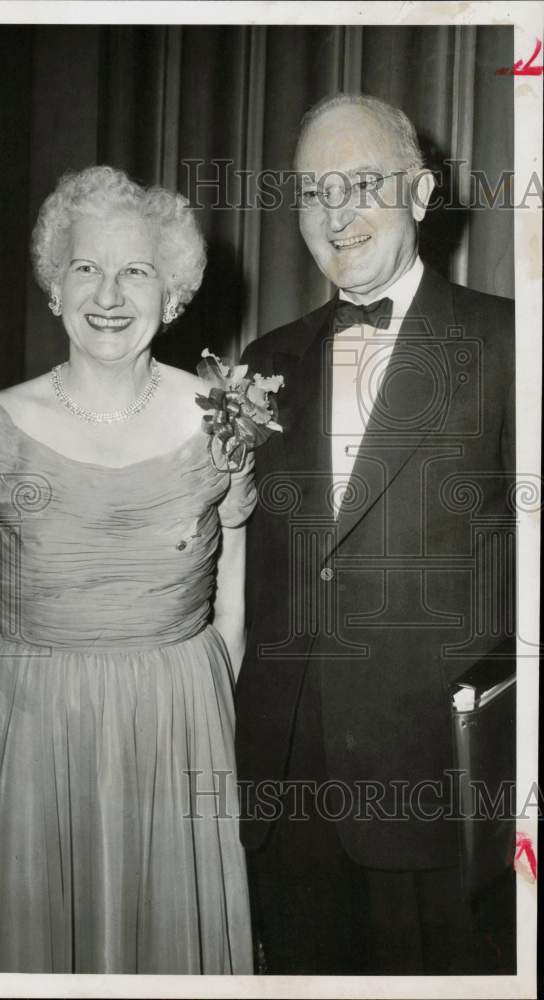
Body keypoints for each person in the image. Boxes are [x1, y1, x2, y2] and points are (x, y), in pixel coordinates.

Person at [0, 165, 254, 973]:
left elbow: (233, 620)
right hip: (28, 739)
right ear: (54, 286)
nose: (108, 293)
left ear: (172, 294)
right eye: (86, 267)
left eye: (136, 270)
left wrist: (203, 749)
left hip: (175, 734)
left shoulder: (226, 420)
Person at [236, 94, 516, 975]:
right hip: (284, 781)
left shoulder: (514, 341)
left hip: (440, 775)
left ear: (423, 194)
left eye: (362, 184)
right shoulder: (263, 363)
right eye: (315, 190)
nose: (335, 212)